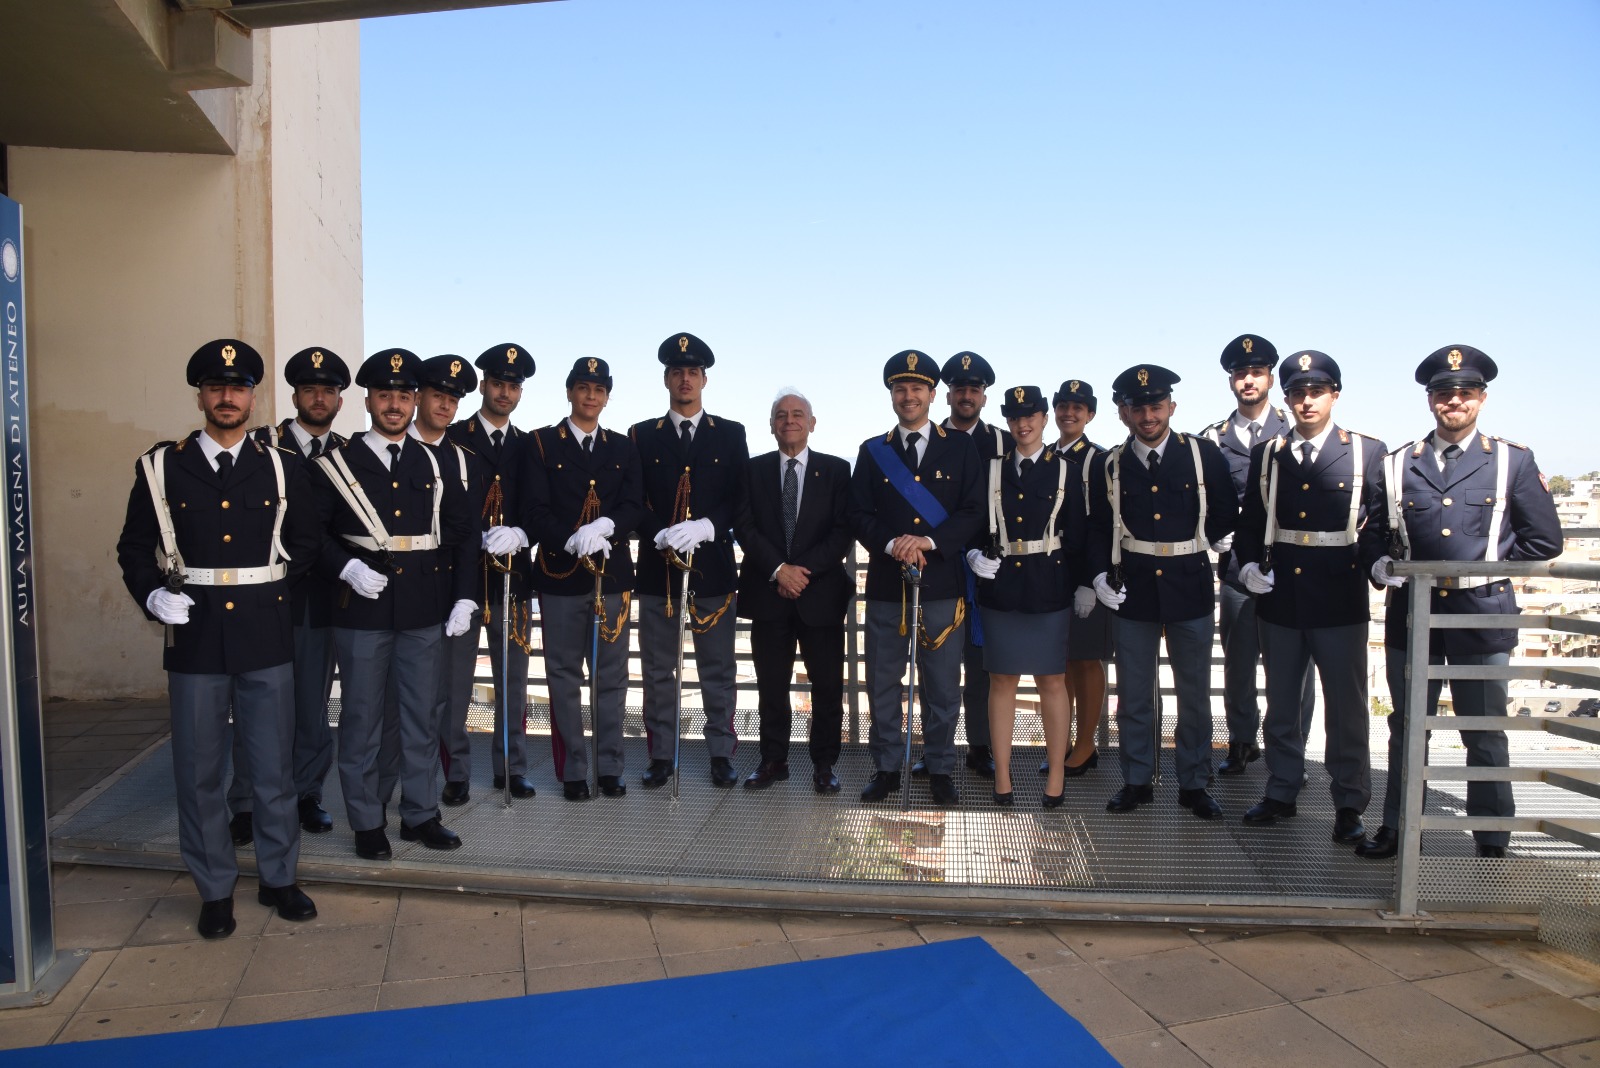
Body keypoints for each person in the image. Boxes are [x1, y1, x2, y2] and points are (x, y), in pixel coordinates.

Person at [116, 338, 319, 938]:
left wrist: (271, 586)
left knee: (272, 766)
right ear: (200, 394)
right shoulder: (161, 466)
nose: (226, 397)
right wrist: (152, 593)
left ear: (254, 396)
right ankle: (214, 888)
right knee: (199, 769)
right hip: (195, 637)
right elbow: (134, 547)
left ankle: (280, 877)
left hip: (264, 633)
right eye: (215, 386)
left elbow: (306, 543)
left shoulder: (284, 465)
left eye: (237, 387)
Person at [1357, 345, 1562, 860]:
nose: (1454, 402)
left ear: (1481, 399)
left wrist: (1485, 564)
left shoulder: (1513, 461)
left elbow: (1545, 540)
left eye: (1464, 393)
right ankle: (1399, 829)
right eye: (1444, 394)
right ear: (1430, 400)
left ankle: (1492, 838)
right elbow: (1373, 535)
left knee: (1484, 731)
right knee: (1407, 731)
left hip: (1481, 614)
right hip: (1414, 618)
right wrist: (1379, 563)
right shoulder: (1398, 462)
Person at [312, 348, 477, 859]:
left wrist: (465, 596)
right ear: (367, 400)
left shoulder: (437, 460)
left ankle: (420, 814)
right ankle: (365, 821)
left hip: (423, 609)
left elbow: (461, 534)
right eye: (385, 395)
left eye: (403, 396)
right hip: (361, 609)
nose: (395, 404)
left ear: (414, 401)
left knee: (421, 717)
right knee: (361, 720)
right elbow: (307, 535)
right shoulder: (334, 464)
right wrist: (345, 566)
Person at [1232, 351, 1386, 844]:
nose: (1306, 401)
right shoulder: (1269, 453)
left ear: (1334, 395)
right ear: (1288, 398)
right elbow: (1252, 523)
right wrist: (1249, 565)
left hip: (1339, 597)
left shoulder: (1367, 451)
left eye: (1316, 391)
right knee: (1280, 704)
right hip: (1281, 597)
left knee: (1346, 708)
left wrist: (1379, 564)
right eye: (1297, 393)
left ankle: (1348, 802)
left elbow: (1381, 523)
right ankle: (1281, 789)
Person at [1089, 364, 1237, 818]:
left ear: (1172, 407)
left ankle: (1194, 782)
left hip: (1188, 586)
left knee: (1193, 693)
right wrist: (1098, 576)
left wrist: (1220, 544)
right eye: (1138, 408)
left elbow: (1227, 515)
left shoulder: (1202, 455)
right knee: (1135, 693)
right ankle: (1137, 779)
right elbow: (1097, 528)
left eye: (1156, 406)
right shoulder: (1110, 464)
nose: (1148, 416)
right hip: (1133, 590)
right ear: (1123, 413)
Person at [227, 346, 350, 844]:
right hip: (263, 597)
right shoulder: (261, 447)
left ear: (340, 400)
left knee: (312, 706)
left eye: (328, 390)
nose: (319, 398)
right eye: (309, 389)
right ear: (294, 394)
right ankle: (245, 801)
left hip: (322, 600)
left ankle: (305, 793)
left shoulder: (351, 452)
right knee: (253, 705)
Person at [848, 350, 982, 806]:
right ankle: (887, 767)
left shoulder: (962, 448)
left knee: (943, 686)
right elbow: (859, 514)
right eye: (900, 388)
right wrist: (892, 544)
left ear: (932, 394)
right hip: (888, 586)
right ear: (891, 394)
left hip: (942, 584)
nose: (909, 396)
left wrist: (927, 543)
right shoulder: (873, 452)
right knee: (883, 683)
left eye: (917, 388)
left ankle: (941, 767)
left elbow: (973, 512)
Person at [630, 332, 750, 789]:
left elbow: (740, 499)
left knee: (717, 667)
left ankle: (721, 751)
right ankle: (662, 753)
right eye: (677, 372)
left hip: (713, 567)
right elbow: (632, 499)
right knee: (659, 669)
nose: (685, 379)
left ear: (705, 380)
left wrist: (707, 527)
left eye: (693, 373)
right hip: (658, 572)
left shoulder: (731, 433)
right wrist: (655, 529)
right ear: (666, 379)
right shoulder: (642, 435)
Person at [522, 357, 644, 800]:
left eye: (599, 389)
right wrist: (570, 537)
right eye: (583, 387)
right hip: (559, 574)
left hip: (611, 578)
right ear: (569, 392)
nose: (591, 396)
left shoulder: (622, 446)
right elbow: (533, 509)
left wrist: (607, 526)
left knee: (612, 677)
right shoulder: (540, 444)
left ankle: (610, 767)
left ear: (607, 396)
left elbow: (635, 504)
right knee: (563, 675)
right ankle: (573, 769)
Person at [1200, 334, 1314, 775]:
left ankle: (1293, 753)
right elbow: (1203, 499)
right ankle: (1242, 742)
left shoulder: (1295, 429)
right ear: (1231, 379)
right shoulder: (1213, 438)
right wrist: (1215, 536)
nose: (1248, 380)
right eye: (1239, 373)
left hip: (1292, 567)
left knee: (1296, 670)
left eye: (1256, 372)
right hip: (1235, 570)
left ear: (1270, 377)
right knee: (1239, 661)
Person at [965, 385, 1080, 806]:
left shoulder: (1064, 470)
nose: (1023, 424)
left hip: (1050, 585)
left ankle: (1056, 777)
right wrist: (975, 552)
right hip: (1001, 586)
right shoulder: (991, 468)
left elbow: (1080, 535)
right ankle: (1003, 776)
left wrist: (1085, 585)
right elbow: (975, 523)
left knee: (1052, 681)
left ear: (1045, 418)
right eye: (1014, 417)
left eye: (1030, 415)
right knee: (1002, 681)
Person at [734, 391, 854, 792]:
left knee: (826, 686)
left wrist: (801, 572)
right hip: (768, 594)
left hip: (820, 595)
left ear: (812, 423)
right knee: (771, 685)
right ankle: (773, 761)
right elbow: (744, 527)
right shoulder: (751, 471)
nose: (789, 420)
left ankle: (824, 764)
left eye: (797, 414)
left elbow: (843, 531)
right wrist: (778, 570)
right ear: (771, 425)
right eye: (781, 415)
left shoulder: (836, 471)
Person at [438, 344, 538, 802]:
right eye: (498, 383)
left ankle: (510, 767)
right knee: (455, 684)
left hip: (513, 581)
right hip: (460, 580)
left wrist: (522, 531)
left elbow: (541, 507)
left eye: (513, 385)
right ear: (483, 386)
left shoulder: (530, 446)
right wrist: (473, 533)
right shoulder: (454, 436)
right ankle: (456, 772)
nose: (505, 392)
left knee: (512, 682)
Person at [913, 350, 1013, 780]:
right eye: (959, 389)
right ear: (946, 395)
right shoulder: (928, 439)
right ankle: (937, 749)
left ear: (984, 397)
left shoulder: (1004, 444)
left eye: (974, 389)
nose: (966, 396)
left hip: (991, 568)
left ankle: (980, 744)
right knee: (934, 667)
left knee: (982, 663)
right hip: (939, 562)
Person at [1049, 378, 1112, 778]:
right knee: (1063, 662)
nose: (1069, 413)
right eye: (1063, 406)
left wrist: (1091, 579)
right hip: (1052, 573)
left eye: (1078, 407)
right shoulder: (1045, 454)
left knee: (1087, 660)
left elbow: (1102, 524)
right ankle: (1067, 741)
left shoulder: (1098, 459)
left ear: (1090, 414)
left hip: (1087, 575)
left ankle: (1086, 744)